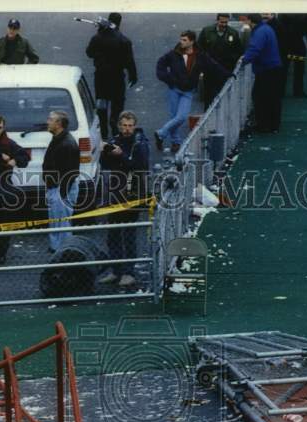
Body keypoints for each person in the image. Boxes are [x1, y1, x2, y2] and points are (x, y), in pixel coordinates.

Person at [154, 30, 231, 153]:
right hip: (174, 88)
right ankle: (176, 142)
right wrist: (167, 78)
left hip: (188, 91)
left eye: (184, 40)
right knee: (174, 116)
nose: (181, 42)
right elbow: (160, 64)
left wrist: (227, 74)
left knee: (181, 117)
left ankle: (161, 133)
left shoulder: (200, 55)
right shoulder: (173, 54)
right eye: (181, 39)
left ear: (192, 41)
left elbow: (213, 65)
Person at [98, 110, 150, 288]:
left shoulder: (140, 144)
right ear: (119, 126)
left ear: (134, 126)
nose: (127, 129)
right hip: (114, 193)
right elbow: (104, 165)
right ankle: (115, 270)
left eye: (130, 126)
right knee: (113, 234)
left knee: (128, 234)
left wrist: (122, 156)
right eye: (124, 126)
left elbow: (140, 166)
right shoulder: (115, 141)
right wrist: (105, 152)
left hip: (132, 194)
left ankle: (129, 272)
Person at [0, 113, 30, 264]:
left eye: (0, 127)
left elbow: (24, 157)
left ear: (3, 127)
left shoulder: (8, 143)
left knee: (5, 224)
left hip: (4, 188)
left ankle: (1, 254)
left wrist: (14, 160)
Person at [86, 12, 138, 137]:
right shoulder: (124, 40)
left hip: (101, 78)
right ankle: (115, 127)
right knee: (117, 104)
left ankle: (103, 132)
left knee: (102, 104)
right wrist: (133, 76)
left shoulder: (97, 38)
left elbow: (89, 53)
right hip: (117, 77)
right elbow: (129, 61)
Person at [42, 110, 80, 253]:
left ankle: (63, 253)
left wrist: (61, 196)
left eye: (50, 119)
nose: (48, 122)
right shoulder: (60, 140)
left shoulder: (65, 144)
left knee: (62, 225)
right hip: (57, 188)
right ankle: (57, 250)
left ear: (58, 124)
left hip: (60, 190)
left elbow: (71, 173)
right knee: (57, 223)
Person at [241, 14, 283, 133]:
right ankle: (273, 125)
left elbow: (255, 48)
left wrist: (244, 60)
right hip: (273, 67)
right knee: (272, 98)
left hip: (266, 69)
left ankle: (263, 125)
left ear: (250, 21)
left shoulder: (259, 32)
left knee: (260, 97)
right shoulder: (267, 28)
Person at [198, 14, 244, 108]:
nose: (224, 24)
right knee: (209, 97)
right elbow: (199, 49)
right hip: (209, 70)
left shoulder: (233, 33)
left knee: (224, 96)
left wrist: (231, 59)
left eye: (226, 22)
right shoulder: (206, 31)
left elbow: (239, 50)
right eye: (222, 22)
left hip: (225, 70)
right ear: (217, 20)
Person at [278, 14, 307, 97]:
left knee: (284, 69)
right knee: (299, 69)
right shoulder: (305, 16)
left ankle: (281, 91)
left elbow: (279, 29)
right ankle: (298, 91)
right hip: (298, 44)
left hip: (286, 44)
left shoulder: (283, 14)